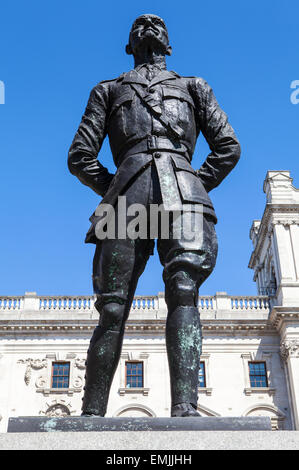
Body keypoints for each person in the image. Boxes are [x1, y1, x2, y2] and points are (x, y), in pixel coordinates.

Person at [68, 14, 241, 417]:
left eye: (158, 26)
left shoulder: (194, 87)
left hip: (185, 197)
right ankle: (91, 412)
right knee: (112, 307)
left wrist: (192, 184)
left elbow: (228, 147)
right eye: (139, 27)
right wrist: (116, 186)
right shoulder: (107, 90)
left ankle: (185, 407)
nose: (149, 26)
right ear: (129, 46)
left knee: (184, 291)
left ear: (169, 44)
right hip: (126, 199)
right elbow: (80, 156)